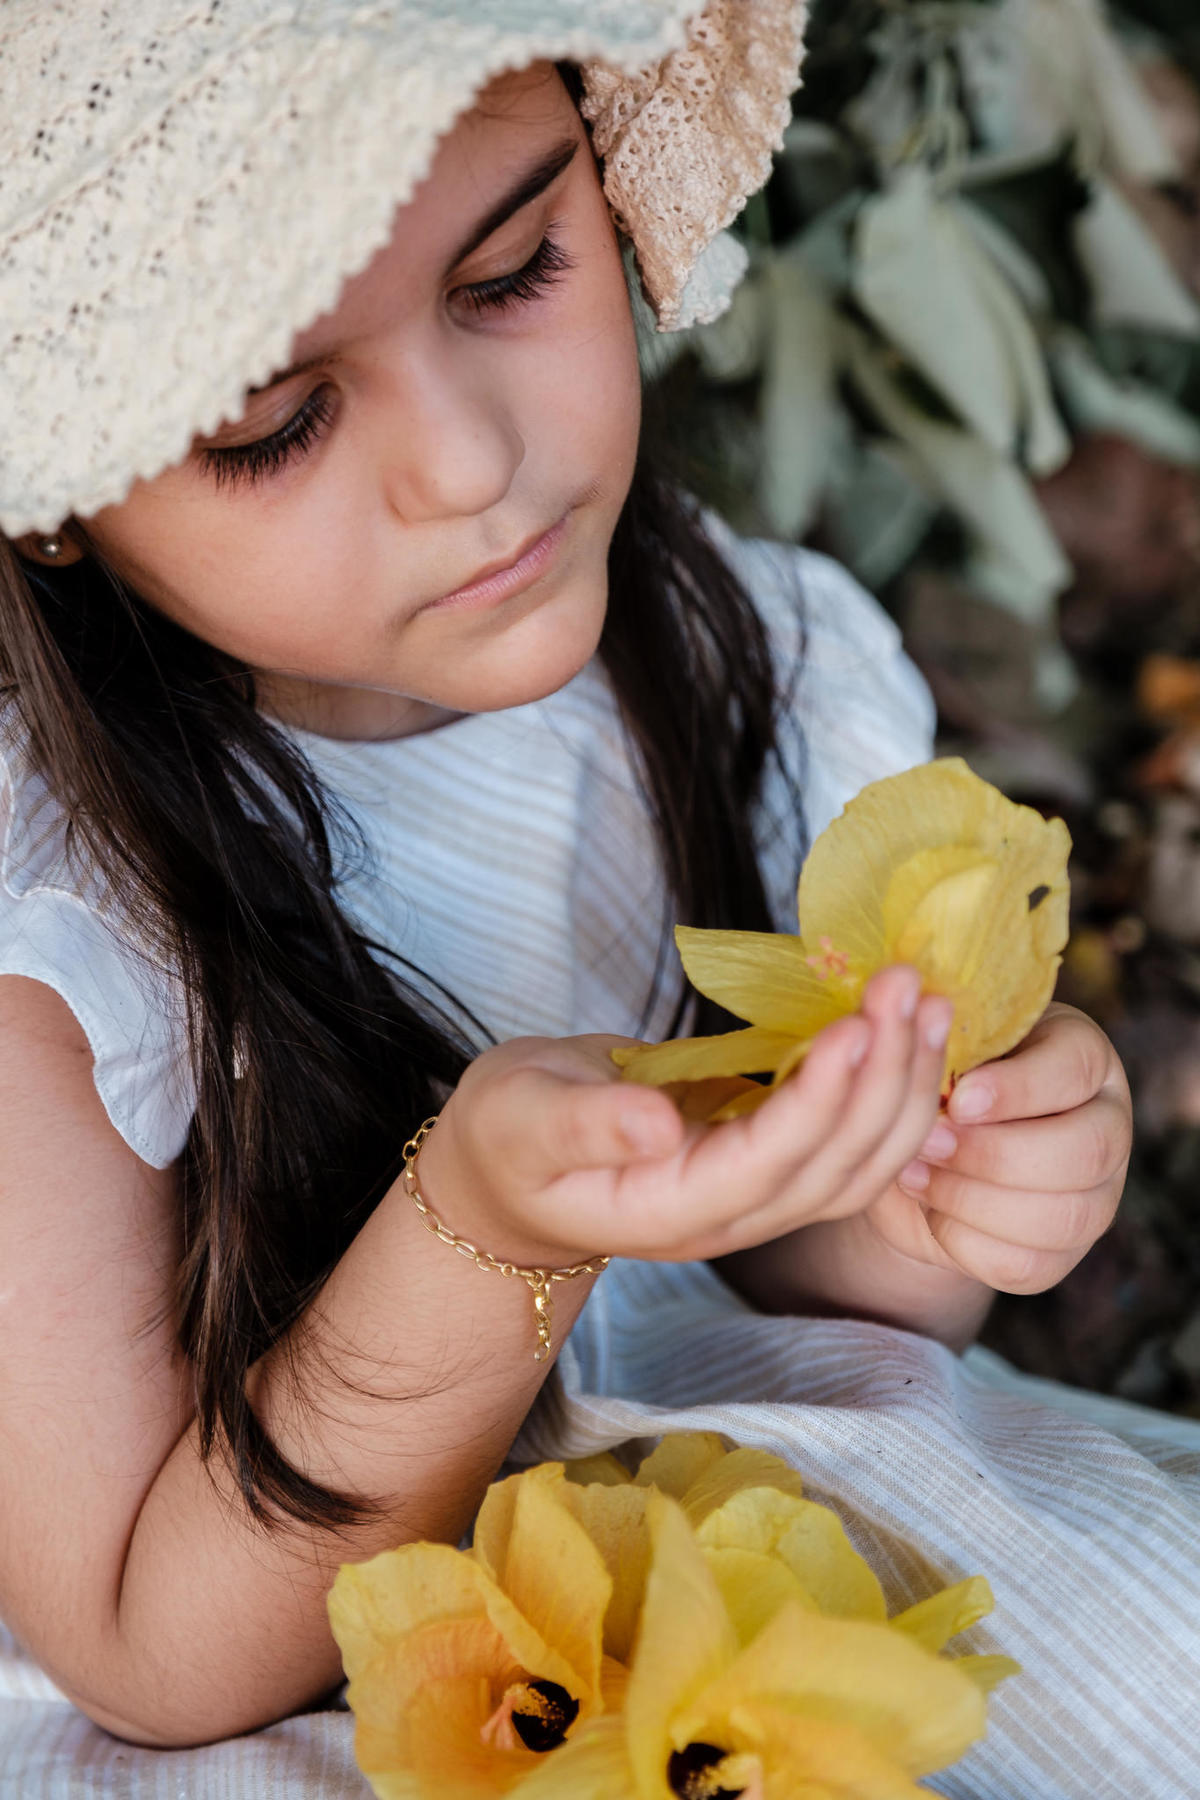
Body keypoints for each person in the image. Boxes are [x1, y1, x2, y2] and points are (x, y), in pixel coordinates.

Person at [0, 5, 1186, 1796]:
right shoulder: (64, 928)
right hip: (319, 1666)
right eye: (276, 421)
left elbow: (772, 1289)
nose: (470, 463)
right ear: (57, 496)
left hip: (741, 1518)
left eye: (513, 271)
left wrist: (925, 1191)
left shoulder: (740, 663)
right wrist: (488, 1235)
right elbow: (154, 1651)